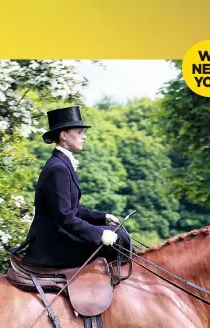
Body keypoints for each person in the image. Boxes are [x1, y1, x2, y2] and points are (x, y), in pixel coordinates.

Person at [21, 105, 130, 268]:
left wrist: (102, 217)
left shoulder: (63, 163)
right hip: (52, 245)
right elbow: (65, 217)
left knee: (120, 235)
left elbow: (73, 209)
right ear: (64, 135)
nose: (84, 137)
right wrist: (99, 234)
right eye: (79, 132)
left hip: (60, 236)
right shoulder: (57, 168)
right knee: (118, 239)